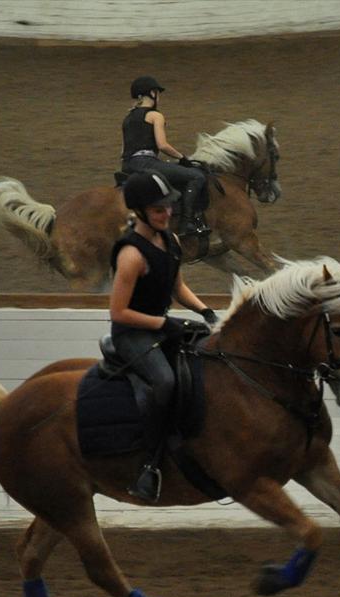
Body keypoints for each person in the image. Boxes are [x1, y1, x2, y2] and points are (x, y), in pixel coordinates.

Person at [109, 170, 220, 502]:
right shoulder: (131, 255)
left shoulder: (169, 241)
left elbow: (178, 287)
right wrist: (163, 325)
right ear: (141, 212)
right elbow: (118, 312)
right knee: (166, 382)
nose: (168, 213)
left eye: (169, 207)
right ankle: (149, 463)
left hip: (160, 324)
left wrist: (205, 312)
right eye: (159, 210)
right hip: (132, 334)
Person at [120, 75, 210, 237]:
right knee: (197, 176)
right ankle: (187, 223)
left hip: (127, 165)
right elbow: (162, 145)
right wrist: (183, 158)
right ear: (152, 93)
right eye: (157, 93)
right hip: (147, 163)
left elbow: (123, 150)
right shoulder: (156, 116)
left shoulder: (128, 118)